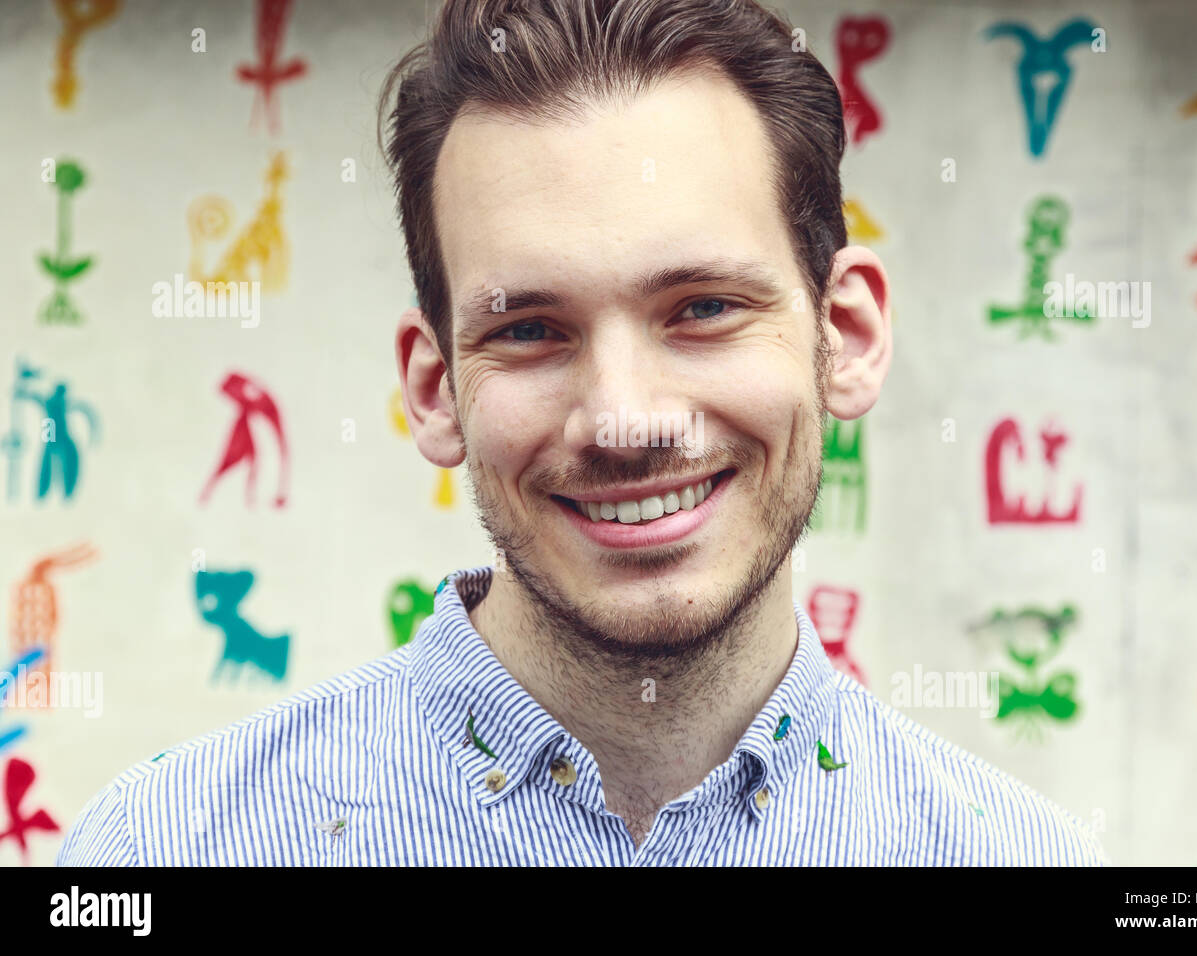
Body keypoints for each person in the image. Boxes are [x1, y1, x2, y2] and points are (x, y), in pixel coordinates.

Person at [57, 0, 1107, 865]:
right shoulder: (162, 850)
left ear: (846, 334)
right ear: (433, 388)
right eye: (529, 328)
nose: (624, 418)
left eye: (701, 307)